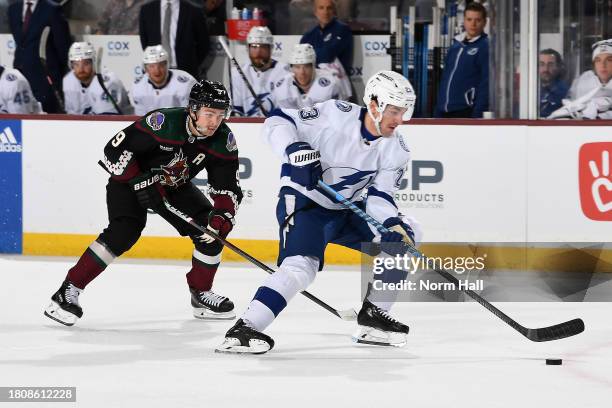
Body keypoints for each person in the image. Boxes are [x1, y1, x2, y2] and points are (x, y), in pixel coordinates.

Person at [216, 70, 422, 354]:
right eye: (395, 111)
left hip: (344, 206)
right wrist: (295, 149)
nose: (400, 120)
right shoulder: (335, 115)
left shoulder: (396, 148)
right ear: (374, 105)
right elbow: (278, 120)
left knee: (408, 231)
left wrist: (391, 225)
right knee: (301, 267)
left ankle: (373, 318)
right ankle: (245, 328)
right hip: (305, 202)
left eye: (404, 112)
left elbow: (380, 196)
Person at [44, 80, 242, 326]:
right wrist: (140, 181)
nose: (214, 121)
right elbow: (112, 152)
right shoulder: (163, 123)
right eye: (209, 113)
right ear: (193, 109)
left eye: (221, 115)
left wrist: (222, 216)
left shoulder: (223, 139)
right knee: (124, 231)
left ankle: (201, 294)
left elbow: (227, 187)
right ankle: (68, 289)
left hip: (173, 186)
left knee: (209, 230)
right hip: (128, 181)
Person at [8, 0, 71, 113]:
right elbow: (21, 43)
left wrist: (55, 76)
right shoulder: (13, 9)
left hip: (45, 80)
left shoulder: (52, 9)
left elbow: (63, 47)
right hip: (21, 77)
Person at [434, 2, 489, 118]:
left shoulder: (485, 47)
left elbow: (486, 83)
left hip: (466, 111)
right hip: (444, 111)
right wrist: (438, 109)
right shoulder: (456, 45)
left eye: (477, 20)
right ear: (464, 21)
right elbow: (445, 80)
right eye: (469, 19)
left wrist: (477, 114)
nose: (473, 24)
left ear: (484, 22)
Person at [139, 0, 210, 79]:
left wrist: (189, 62)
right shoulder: (146, 10)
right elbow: (145, 42)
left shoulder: (194, 11)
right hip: (156, 73)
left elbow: (204, 44)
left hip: (186, 72)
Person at [231, 26, 290, 117]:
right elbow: (237, 110)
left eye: (263, 47)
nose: (258, 52)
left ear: (271, 48)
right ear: (248, 49)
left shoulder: (285, 73)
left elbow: (286, 110)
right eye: (254, 47)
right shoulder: (238, 73)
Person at [300, 0, 353, 99]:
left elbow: (327, 55)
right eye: (321, 8)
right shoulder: (308, 35)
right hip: (311, 85)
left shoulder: (342, 30)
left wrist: (309, 54)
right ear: (315, 11)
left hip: (336, 87)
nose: (325, 12)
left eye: (329, 8)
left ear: (334, 11)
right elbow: (300, 58)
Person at [62, 42, 132, 115]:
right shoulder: (68, 81)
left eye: (86, 63)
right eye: (76, 64)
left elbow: (107, 120)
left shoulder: (107, 82)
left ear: (94, 63)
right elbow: (72, 115)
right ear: (71, 66)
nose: (81, 69)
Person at [549, 39, 612, 119]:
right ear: (594, 64)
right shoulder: (583, 81)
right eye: (598, 60)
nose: (603, 65)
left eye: (609, 60)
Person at [271, 43, 345, 110]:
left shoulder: (330, 82)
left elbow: (338, 114)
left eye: (306, 66)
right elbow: (286, 118)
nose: (302, 72)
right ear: (292, 68)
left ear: (313, 66)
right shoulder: (283, 86)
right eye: (297, 67)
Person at [132, 45, 196, 116]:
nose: (157, 71)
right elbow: (140, 118)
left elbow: (191, 117)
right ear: (146, 69)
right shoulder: (139, 87)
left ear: (167, 65)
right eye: (152, 66)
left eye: (161, 65)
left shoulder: (186, 84)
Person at [539, 49, 569, 118]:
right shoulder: (531, 88)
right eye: (542, 64)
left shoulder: (564, 92)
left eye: (550, 64)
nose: (545, 69)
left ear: (558, 67)